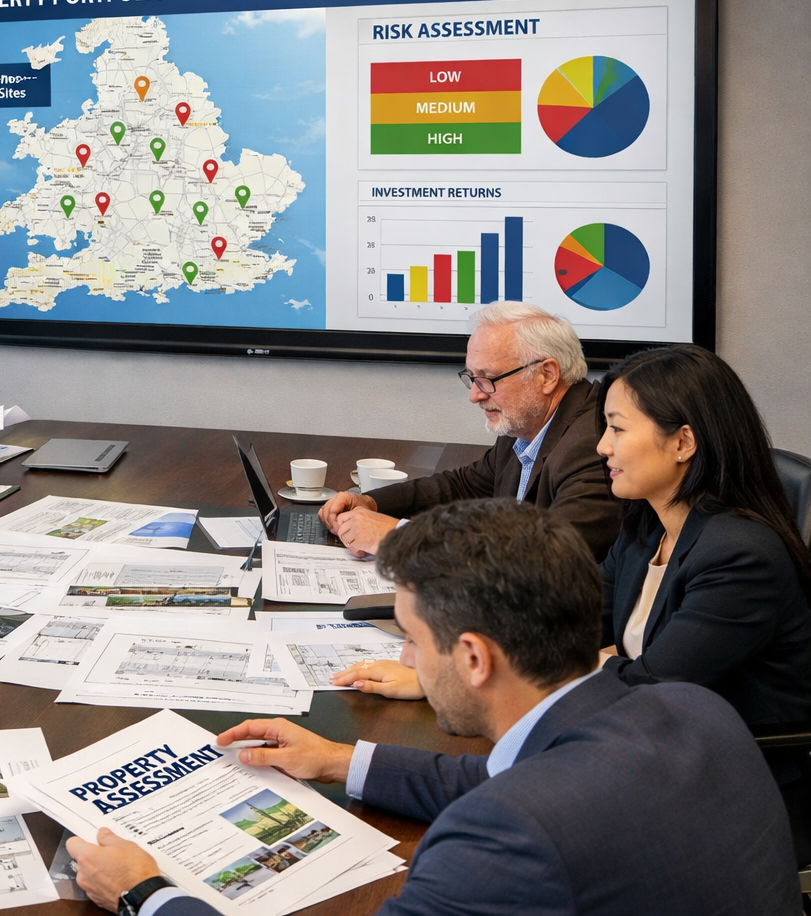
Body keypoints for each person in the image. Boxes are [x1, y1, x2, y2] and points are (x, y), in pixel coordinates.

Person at [67, 500, 798, 916]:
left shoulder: (504, 840)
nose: (409, 661)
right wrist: (339, 760)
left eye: (413, 640)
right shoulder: (691, 710)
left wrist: (146, 893)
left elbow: (522, 805)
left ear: (475, 658)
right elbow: (524, 778)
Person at [594, 343, 811, 860]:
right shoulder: (647, 524)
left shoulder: (740, 556)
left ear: (683, 442)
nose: (602, 446)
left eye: (618, 428)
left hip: (736, 779)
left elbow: (652, 686)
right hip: (653, 745)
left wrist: (594, 663)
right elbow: (576, 621)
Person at [318, 301, 618, 559]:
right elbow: (464, 487)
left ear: (546, 375)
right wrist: (371, 502)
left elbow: (544, 558)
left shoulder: (594, 447)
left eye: (487, 378)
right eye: (472, 378)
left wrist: (398, 536)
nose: (475, 395)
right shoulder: (526, 425)